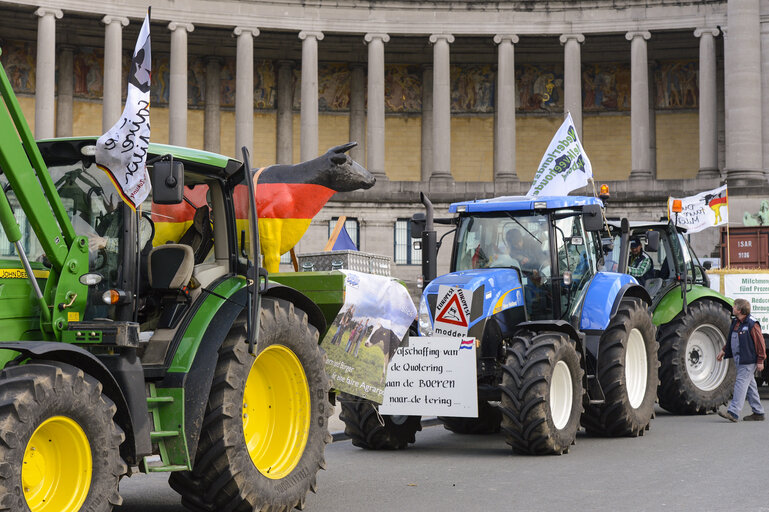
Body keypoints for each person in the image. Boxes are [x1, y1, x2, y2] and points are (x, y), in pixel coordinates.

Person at [716, 298, 766, 422]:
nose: (732, 308)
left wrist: (760, 360)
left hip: (748, 360)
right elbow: (731, 339)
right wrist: (723, 351)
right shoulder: (735, 322)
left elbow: (760, 343)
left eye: (734, 307)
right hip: (739, 358)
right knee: (750, 385)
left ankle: (733, 412)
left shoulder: (752, 324)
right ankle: (758, 412)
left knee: (741, 383)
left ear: (739, 310)